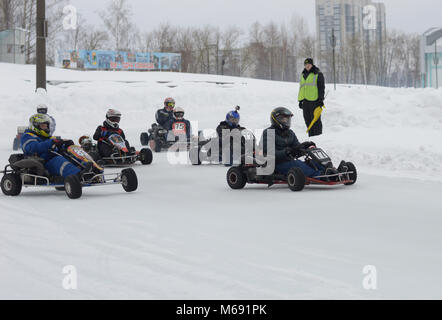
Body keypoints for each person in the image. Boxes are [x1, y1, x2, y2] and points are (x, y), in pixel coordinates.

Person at [259, 107, 335, 178]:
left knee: (311, 162)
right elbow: (270, 153)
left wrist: (305, 146)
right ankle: (321, 175)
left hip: (290, 160)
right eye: (284, 119)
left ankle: (331, 170)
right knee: (298, 165)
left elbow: (297, 147)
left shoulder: (290, 133)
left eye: (288, 119)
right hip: (277, 164)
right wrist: (286, 152)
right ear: (276, 120)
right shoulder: (269, 133)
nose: (287, 121)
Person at [298, 58, 325, 137]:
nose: (307, 66)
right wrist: (300, 100)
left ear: (312, 64)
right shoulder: (303, 74)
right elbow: (302, 88)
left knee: (316, 120)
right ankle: (311, 136)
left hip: (315, 101)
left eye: (308, 64)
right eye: (305, 65)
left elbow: (321, 88)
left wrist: (320, 100)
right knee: (307, 120)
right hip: (305, 101)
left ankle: (318, 137)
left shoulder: (318, 74)